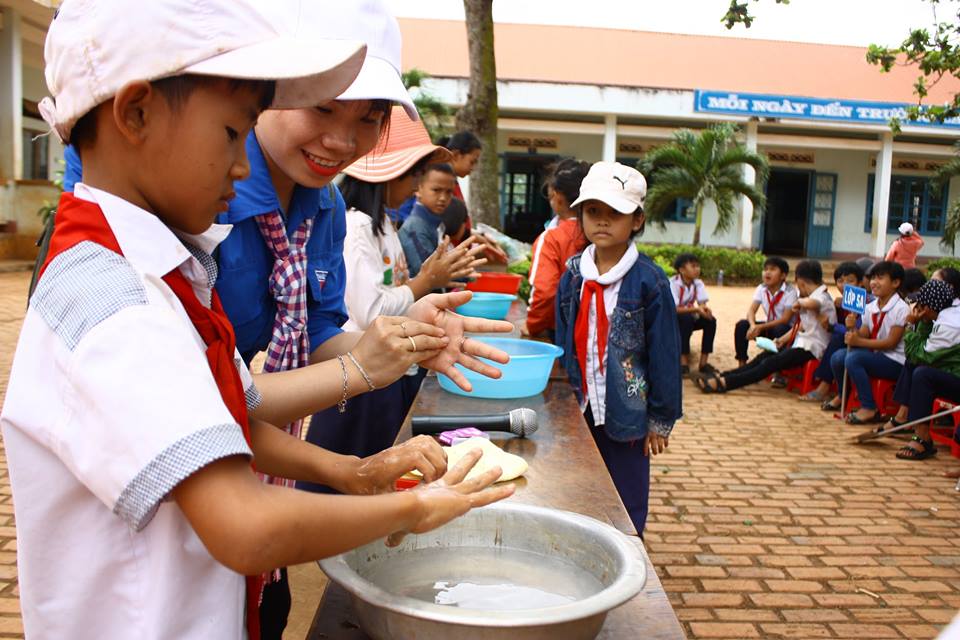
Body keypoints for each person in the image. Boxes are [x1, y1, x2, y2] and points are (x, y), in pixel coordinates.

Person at [2, 2, 514, 638]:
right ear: (134, 113)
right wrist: (410, 507)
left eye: (369, 121)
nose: (242, 166)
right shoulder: (114, 296)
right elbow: (244, 525)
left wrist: (349, 471)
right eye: (230, 132)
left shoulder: (164, 269)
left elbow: (223, 412)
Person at [300, 108, 485, 475]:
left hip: (386, 368)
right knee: (348, 470)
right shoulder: (355, 228)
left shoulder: (383, 224)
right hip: (356, 377)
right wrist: (425, 282)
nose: (415, 186)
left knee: (381, 463)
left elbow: (394, 292)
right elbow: (370, 312)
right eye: (414, 175)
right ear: (388, 175)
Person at [554, 161, 682, 535]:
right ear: (580, 216)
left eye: (616, 213)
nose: (603, 222)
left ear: (637, 220)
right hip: (581, 401)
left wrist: (661, 418)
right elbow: (562, 339)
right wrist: (561, 398)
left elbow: (664, 354)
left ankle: (630, 547)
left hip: (629, 404)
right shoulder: (573, 276)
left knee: (627, 490)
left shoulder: (650, 282)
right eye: (593, 212)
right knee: (581, 483)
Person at [695, 260, 835, 395]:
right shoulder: (812, 295)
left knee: (770, 363)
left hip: (813, 349)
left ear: (800, 281)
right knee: (763, 357)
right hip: (800, 343)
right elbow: (803, 326)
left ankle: (726, 383)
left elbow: (814, 304)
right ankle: (722, 376)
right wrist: (781, 340)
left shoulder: (822, 297)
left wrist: (799, 303)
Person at [824, 261, 909, 424]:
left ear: (895, 283)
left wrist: (859, 341)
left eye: (880, 278)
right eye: (872, 278)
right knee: (838, 357)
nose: (874, 283)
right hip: (876, 356)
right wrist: (852, 328)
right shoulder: (870, 307)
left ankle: (869, 407)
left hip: (895, 360)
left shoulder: (901, 308)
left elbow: (890, 343)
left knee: (854, 359)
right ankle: (845, 397)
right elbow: (864, 333)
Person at [884, 279, 960, 460]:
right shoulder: (947, 313)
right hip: (953, 370)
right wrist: (925, 322)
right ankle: (903, 417)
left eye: (920, 306)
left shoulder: (949, 325)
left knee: (922, 374)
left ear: (927, 308)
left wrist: (911, 325)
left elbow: (918, 354)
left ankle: (923, 438)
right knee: (914, 366)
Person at [523, 158, 590, 339]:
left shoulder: (551, 239)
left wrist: (532, 325)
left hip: (561, 331)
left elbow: (544, 293)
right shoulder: (599, 235)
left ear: (557, 196)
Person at [801, 261, 866, 402]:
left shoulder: (865, 302)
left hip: (865, 343)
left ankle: (824, 386)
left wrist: (832, 327)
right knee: (836, 339)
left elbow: (857, 330)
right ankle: (831, 387)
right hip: (845, 342)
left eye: (850, 281)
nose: (844, 285)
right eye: (840, 281)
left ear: (861, 283)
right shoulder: (840, 302)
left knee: (837, 338)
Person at [733, 256, 797, 367]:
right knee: (742, 325)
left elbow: (785, 319)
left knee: (780, 329)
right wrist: (753, 326)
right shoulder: (761, 288)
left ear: (783, 275)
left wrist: (760, 327)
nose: (767, 273)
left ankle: (778, 371)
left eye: (772, 269)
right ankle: (741, 365)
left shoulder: (790, 291)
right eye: (765, 269)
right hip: (768, 327)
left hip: (786, 332)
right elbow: (751, 310)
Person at [399, 163, 458, 277]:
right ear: (418, 188)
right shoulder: (415, 228)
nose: (443, 198)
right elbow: (428, 274)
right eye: (436, 190)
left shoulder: (434, 223)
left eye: (449, 192)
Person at [671, 253, 717, 375]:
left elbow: (702, 303)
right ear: (681, 270)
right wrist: (696, 310)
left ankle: (703, 362)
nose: (697, 269)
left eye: (698, 266)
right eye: (693, 266)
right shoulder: (673, 284)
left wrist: (706, 311)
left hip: (689, 317)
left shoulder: (698, 283)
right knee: (685, 319)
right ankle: (683, 362)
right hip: (672, 320)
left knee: (711, 321)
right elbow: (673, 309)